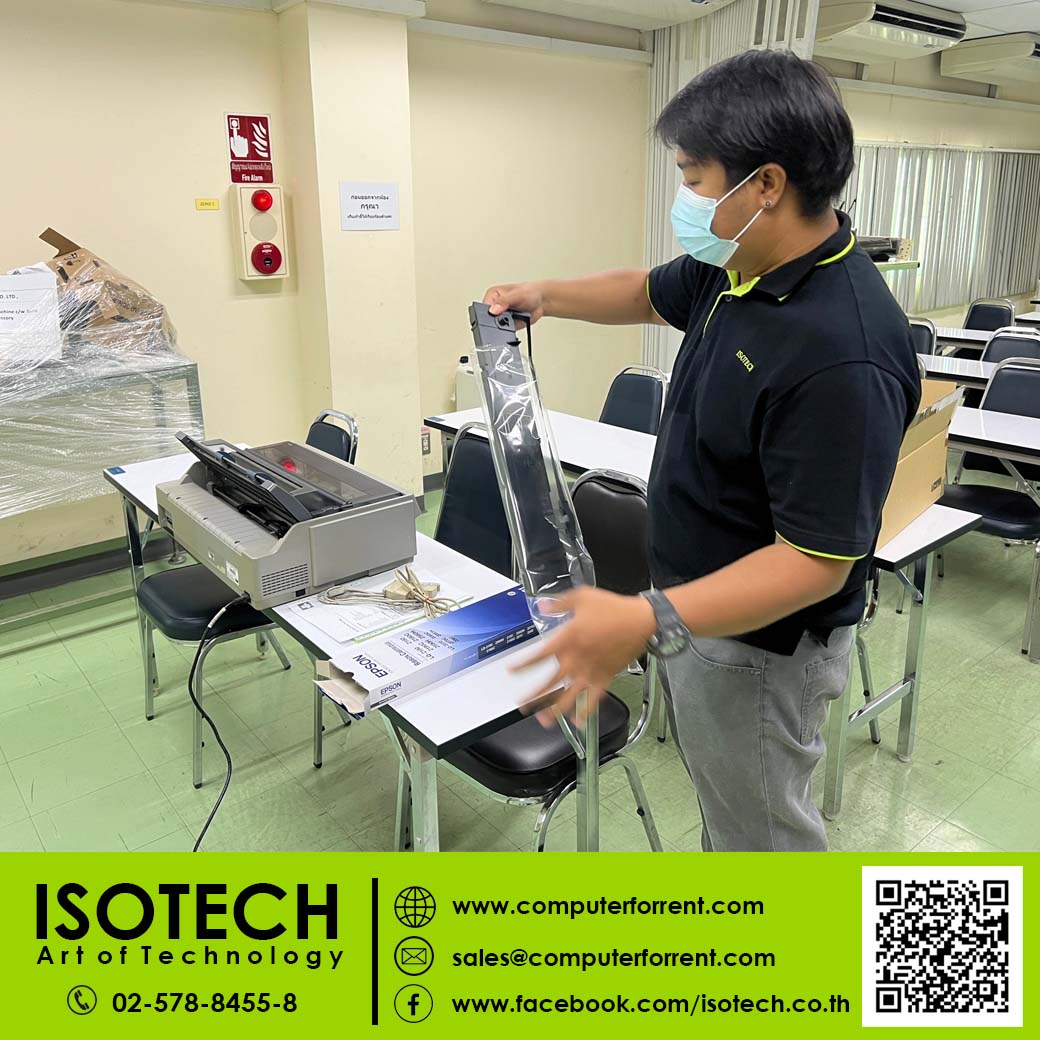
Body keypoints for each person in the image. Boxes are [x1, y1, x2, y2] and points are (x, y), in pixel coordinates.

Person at [482, 49, 921, 852]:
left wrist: (646, 617)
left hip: (759, 647)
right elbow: (647, 292)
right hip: (695, 608)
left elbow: (815, 563)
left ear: (767, 184)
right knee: (731, 817)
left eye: (694, 177)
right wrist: (546, 295)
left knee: (765, 842)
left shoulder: (843, 352)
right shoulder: (740, 264)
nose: (685, 199)